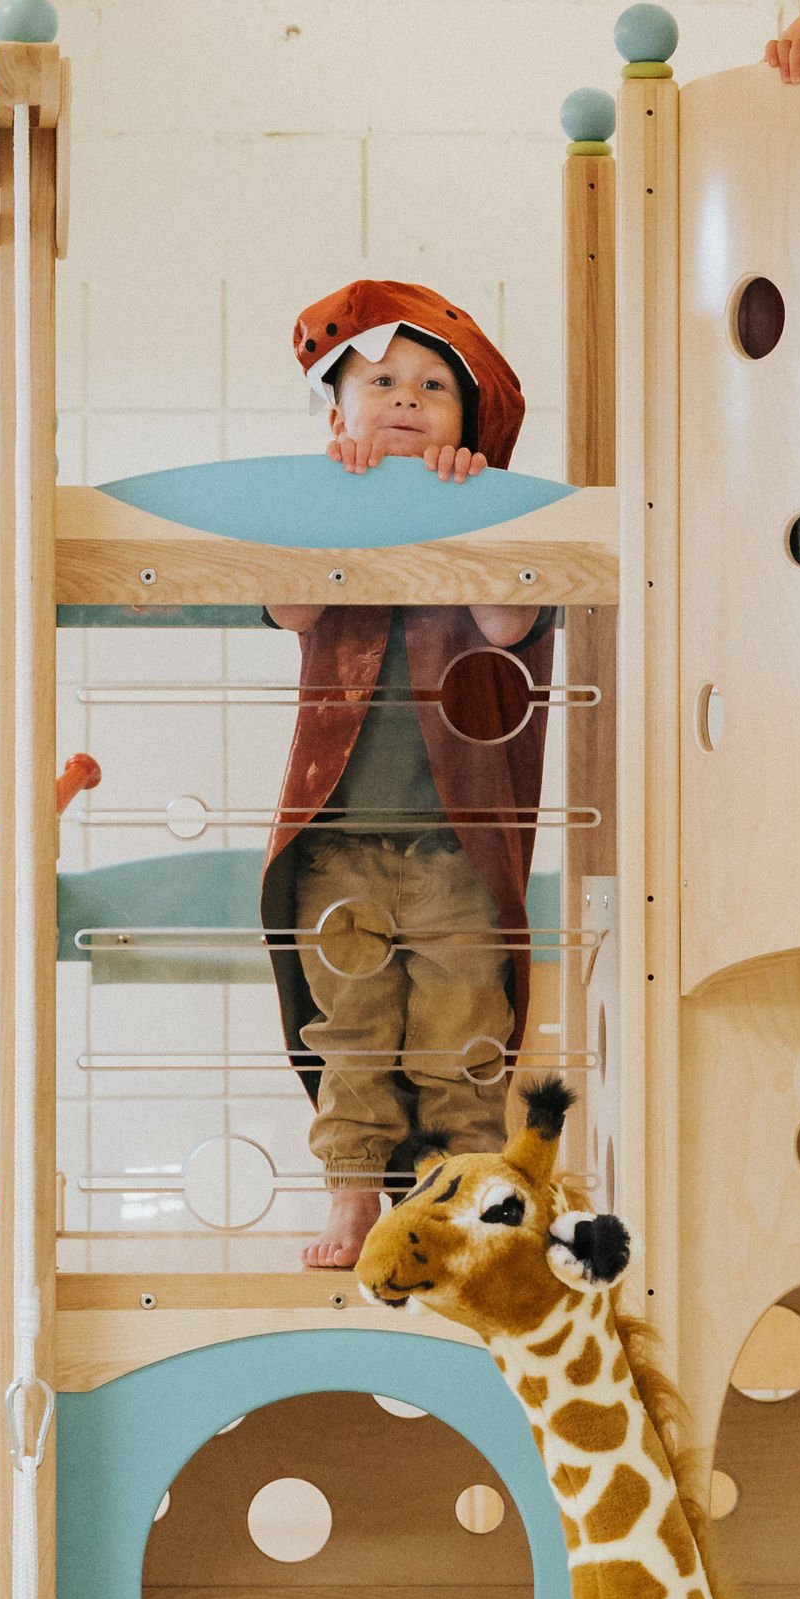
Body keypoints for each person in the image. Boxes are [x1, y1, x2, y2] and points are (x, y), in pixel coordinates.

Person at [263, 281, 554, 1269]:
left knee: (461, 1038)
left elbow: (509, 625)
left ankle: (455, 1208)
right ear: (337, 414)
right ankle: (350, 1197)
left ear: (466, 427)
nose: (405, 396)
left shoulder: (479, 515)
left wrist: (471, 510)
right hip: (336, 844)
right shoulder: (322, 516)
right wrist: (328, 502)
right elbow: (294, 611)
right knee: (347, 1033)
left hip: (453, 852)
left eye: (434, 386)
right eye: (380, 380)